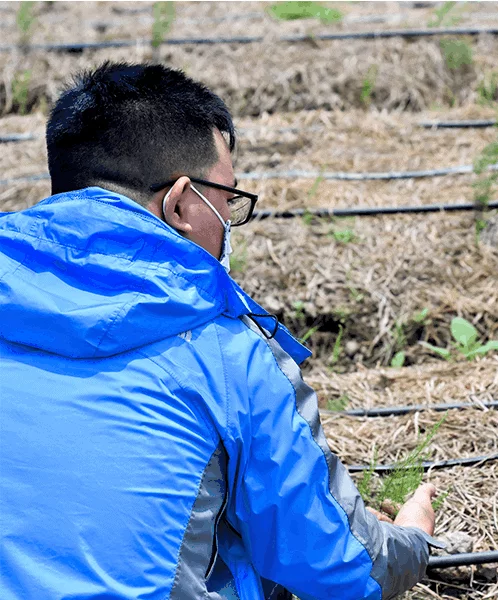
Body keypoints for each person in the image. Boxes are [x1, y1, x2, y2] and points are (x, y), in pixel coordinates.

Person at [0, 62, 440, 600]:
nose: (229, 219)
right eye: (227, 199)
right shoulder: (232, 355)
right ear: (184, 203)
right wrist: (413, 541)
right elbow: (345, 570)